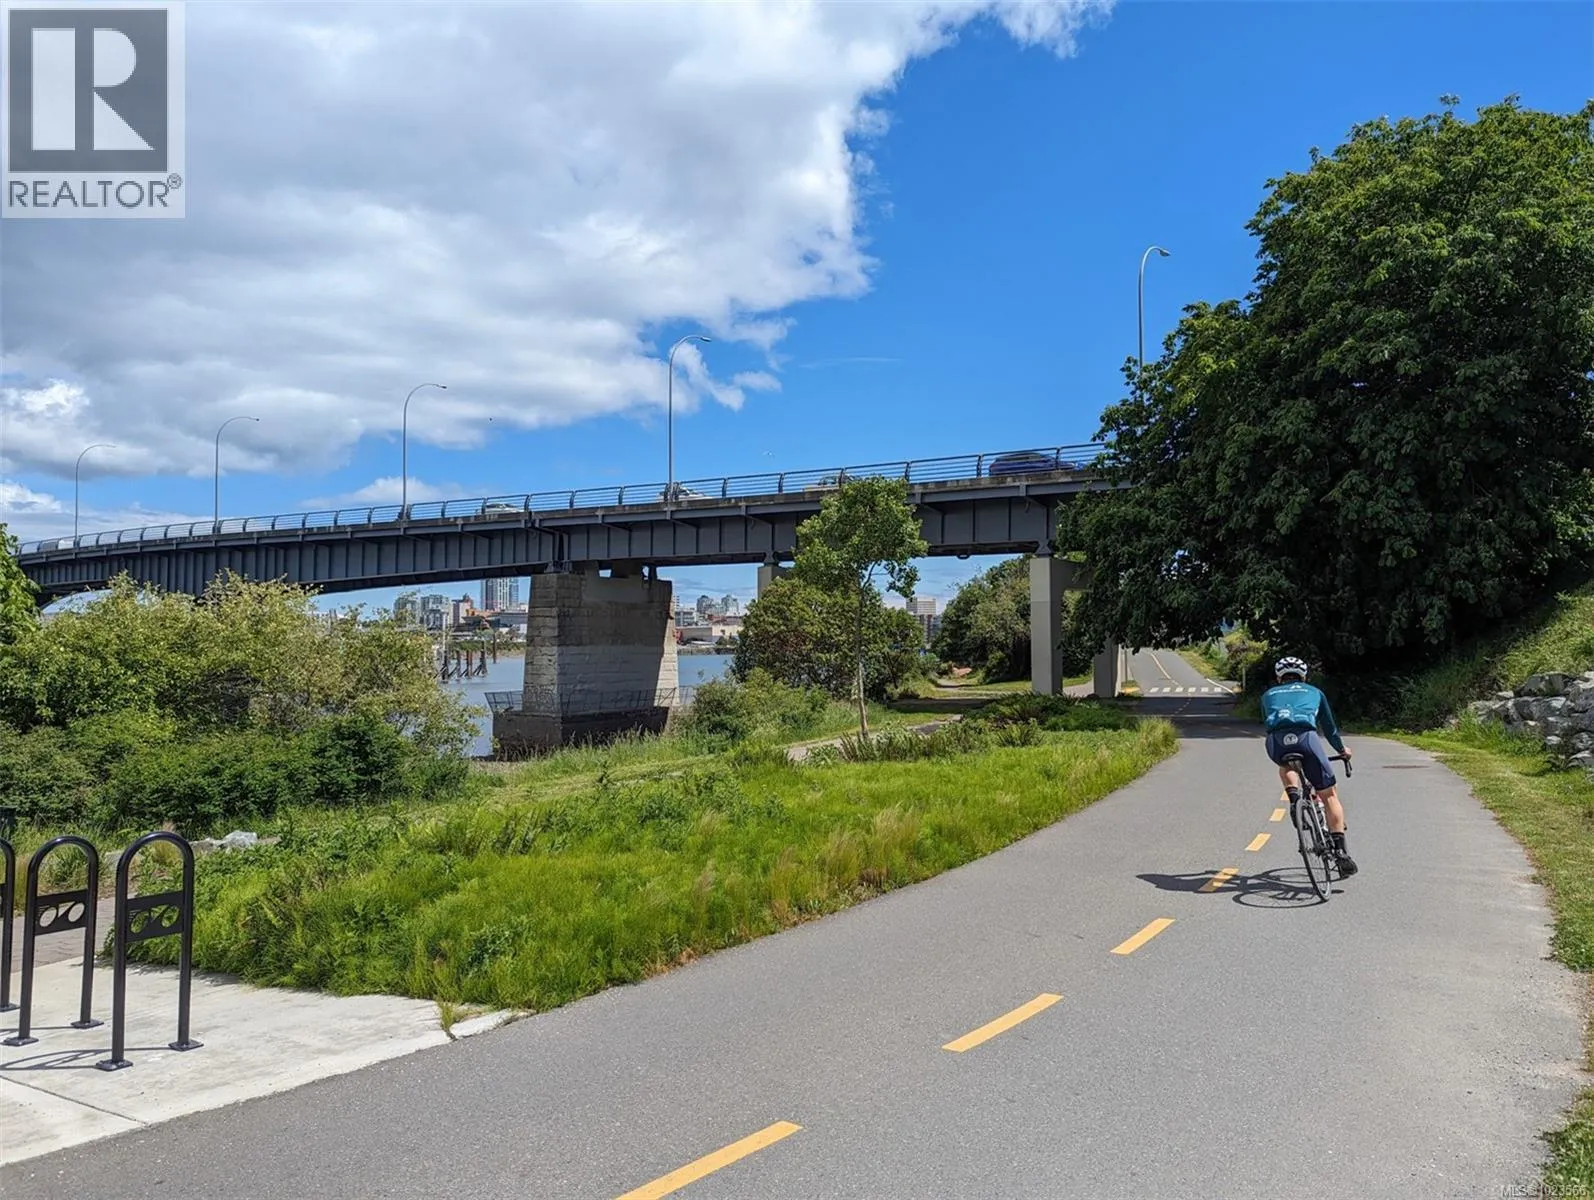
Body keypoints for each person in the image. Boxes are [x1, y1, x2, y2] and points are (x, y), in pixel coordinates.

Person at [1261, 656, 1357, 875]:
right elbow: (1329, 728)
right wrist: (1341, 750)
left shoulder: (1268, 694)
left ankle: (1294, 799)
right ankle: (1341, 852)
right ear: (1304, 676)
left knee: (1286, 765)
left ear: (1279, 677)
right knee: (1329, 794)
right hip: (1306, 739)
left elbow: (1267, 720)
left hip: (1276, 741)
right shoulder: (1315, 692)